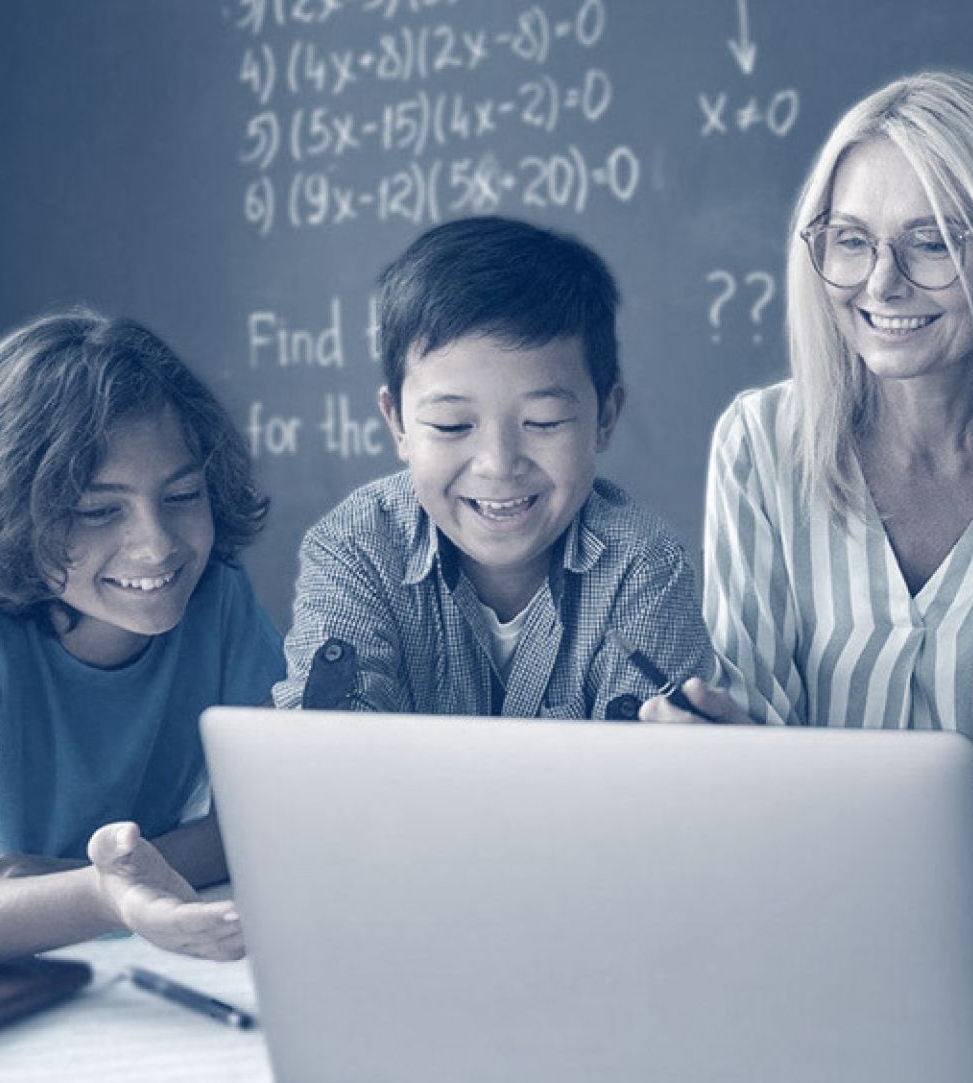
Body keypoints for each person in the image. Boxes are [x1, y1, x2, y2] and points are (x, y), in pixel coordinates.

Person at [642, 70, 973, 895]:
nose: (881, 283)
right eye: (851, 240)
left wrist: (811, 832)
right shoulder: (760, 446)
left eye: (932, 243)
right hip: (796, 915)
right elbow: (753, 749)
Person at [0, 312, 284, 973]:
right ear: (10, 509)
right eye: (97, 510)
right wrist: (99, 894)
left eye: (182, 494)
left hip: (129, 957)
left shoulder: (219, 598)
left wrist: (111, 879)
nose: (157, 543)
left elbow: (270, 820)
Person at [274, 216, 711, 718]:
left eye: (543, 421)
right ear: (398, 424)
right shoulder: (355, 548)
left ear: (605, 417)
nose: (498, 465)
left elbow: (650, 771)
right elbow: (325, 749)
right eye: (451, 425)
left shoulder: (643, 565)